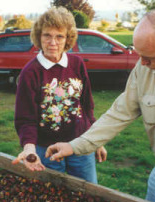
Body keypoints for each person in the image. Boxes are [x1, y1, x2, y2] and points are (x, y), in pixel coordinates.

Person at [45, 9, 155, 202]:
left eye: (148, 58)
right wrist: (76, 146)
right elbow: (119, 113)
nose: (142, 64)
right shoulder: (144, 65)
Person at [12, 6, 107, 184]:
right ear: (39, 37)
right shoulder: (30, 72)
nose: (53, 42)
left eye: (59, 36)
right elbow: (25, 119)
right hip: (47, 151)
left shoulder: (77, 64)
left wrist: (96, 141)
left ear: (68, 39)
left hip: (80, 146)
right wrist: (29, 149)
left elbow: (87, 107)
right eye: (47, 35)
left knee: (88, 197)